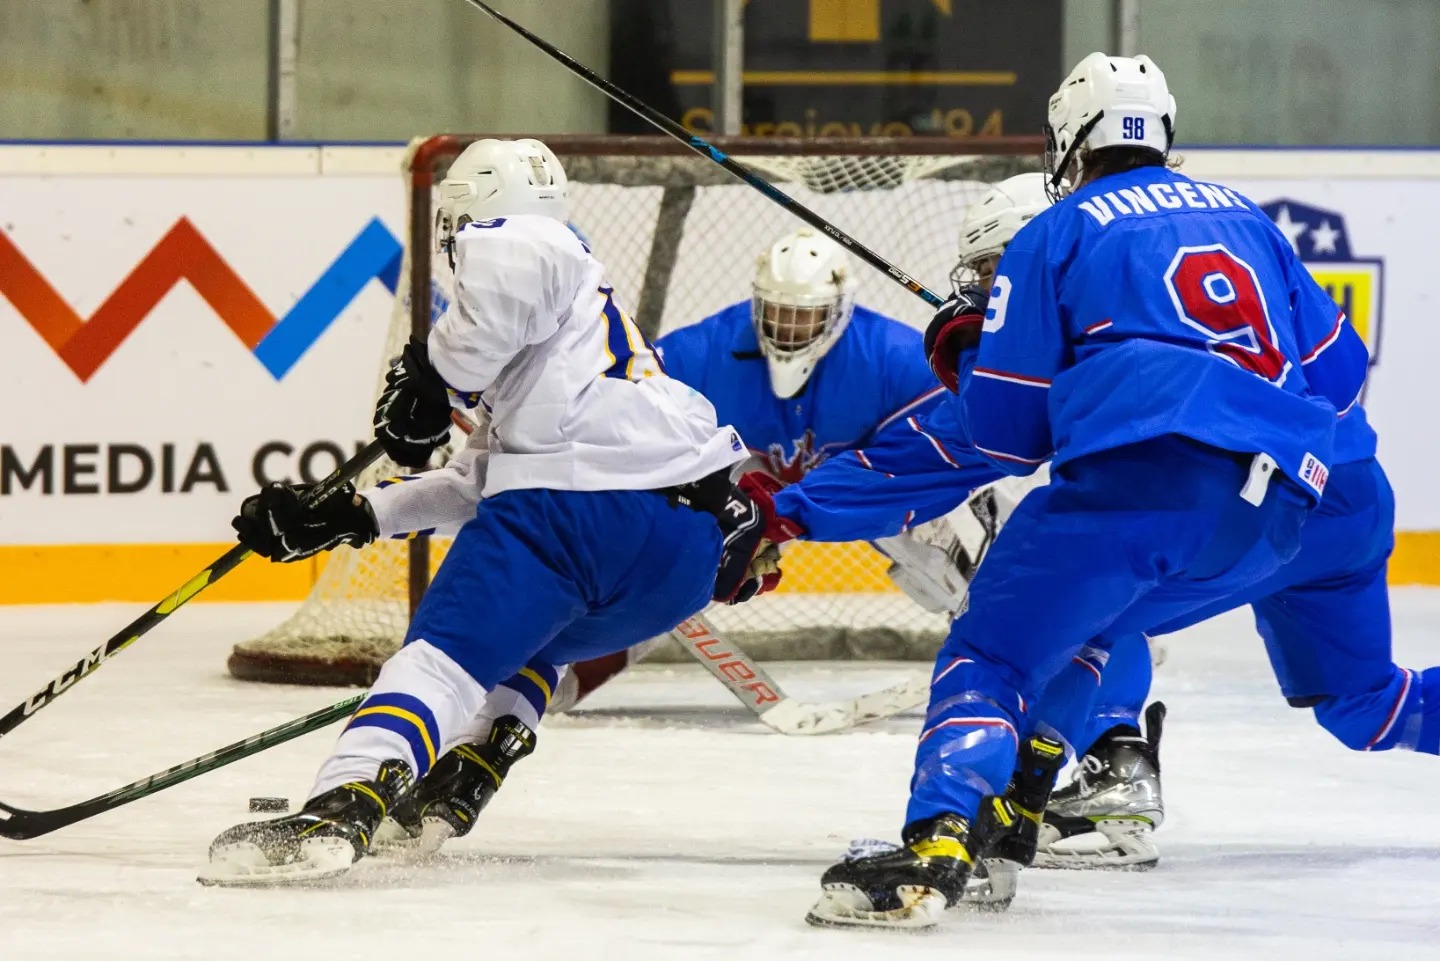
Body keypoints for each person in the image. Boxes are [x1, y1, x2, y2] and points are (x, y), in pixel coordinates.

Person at [796, 51, 1387, 928]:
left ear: (1068, 138)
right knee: (1099, 623)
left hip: (1142, 481)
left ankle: (936, 844)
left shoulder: (1055, 231)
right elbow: (1339, 380)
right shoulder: (1245, 218)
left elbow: (1004, 434)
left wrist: (977, 356)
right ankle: (1019, 804)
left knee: (989, 651)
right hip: (1277, 506)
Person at [201, 138, 784, 884]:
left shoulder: (527, 244)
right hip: (679, 558)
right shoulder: (580, 356)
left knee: (438, 661)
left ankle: (343, 799)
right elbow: (481, 483)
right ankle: (478, 758)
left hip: (578, 523)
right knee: (533, 638)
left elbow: (512, 278)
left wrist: (431, 377)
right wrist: (353, 516)